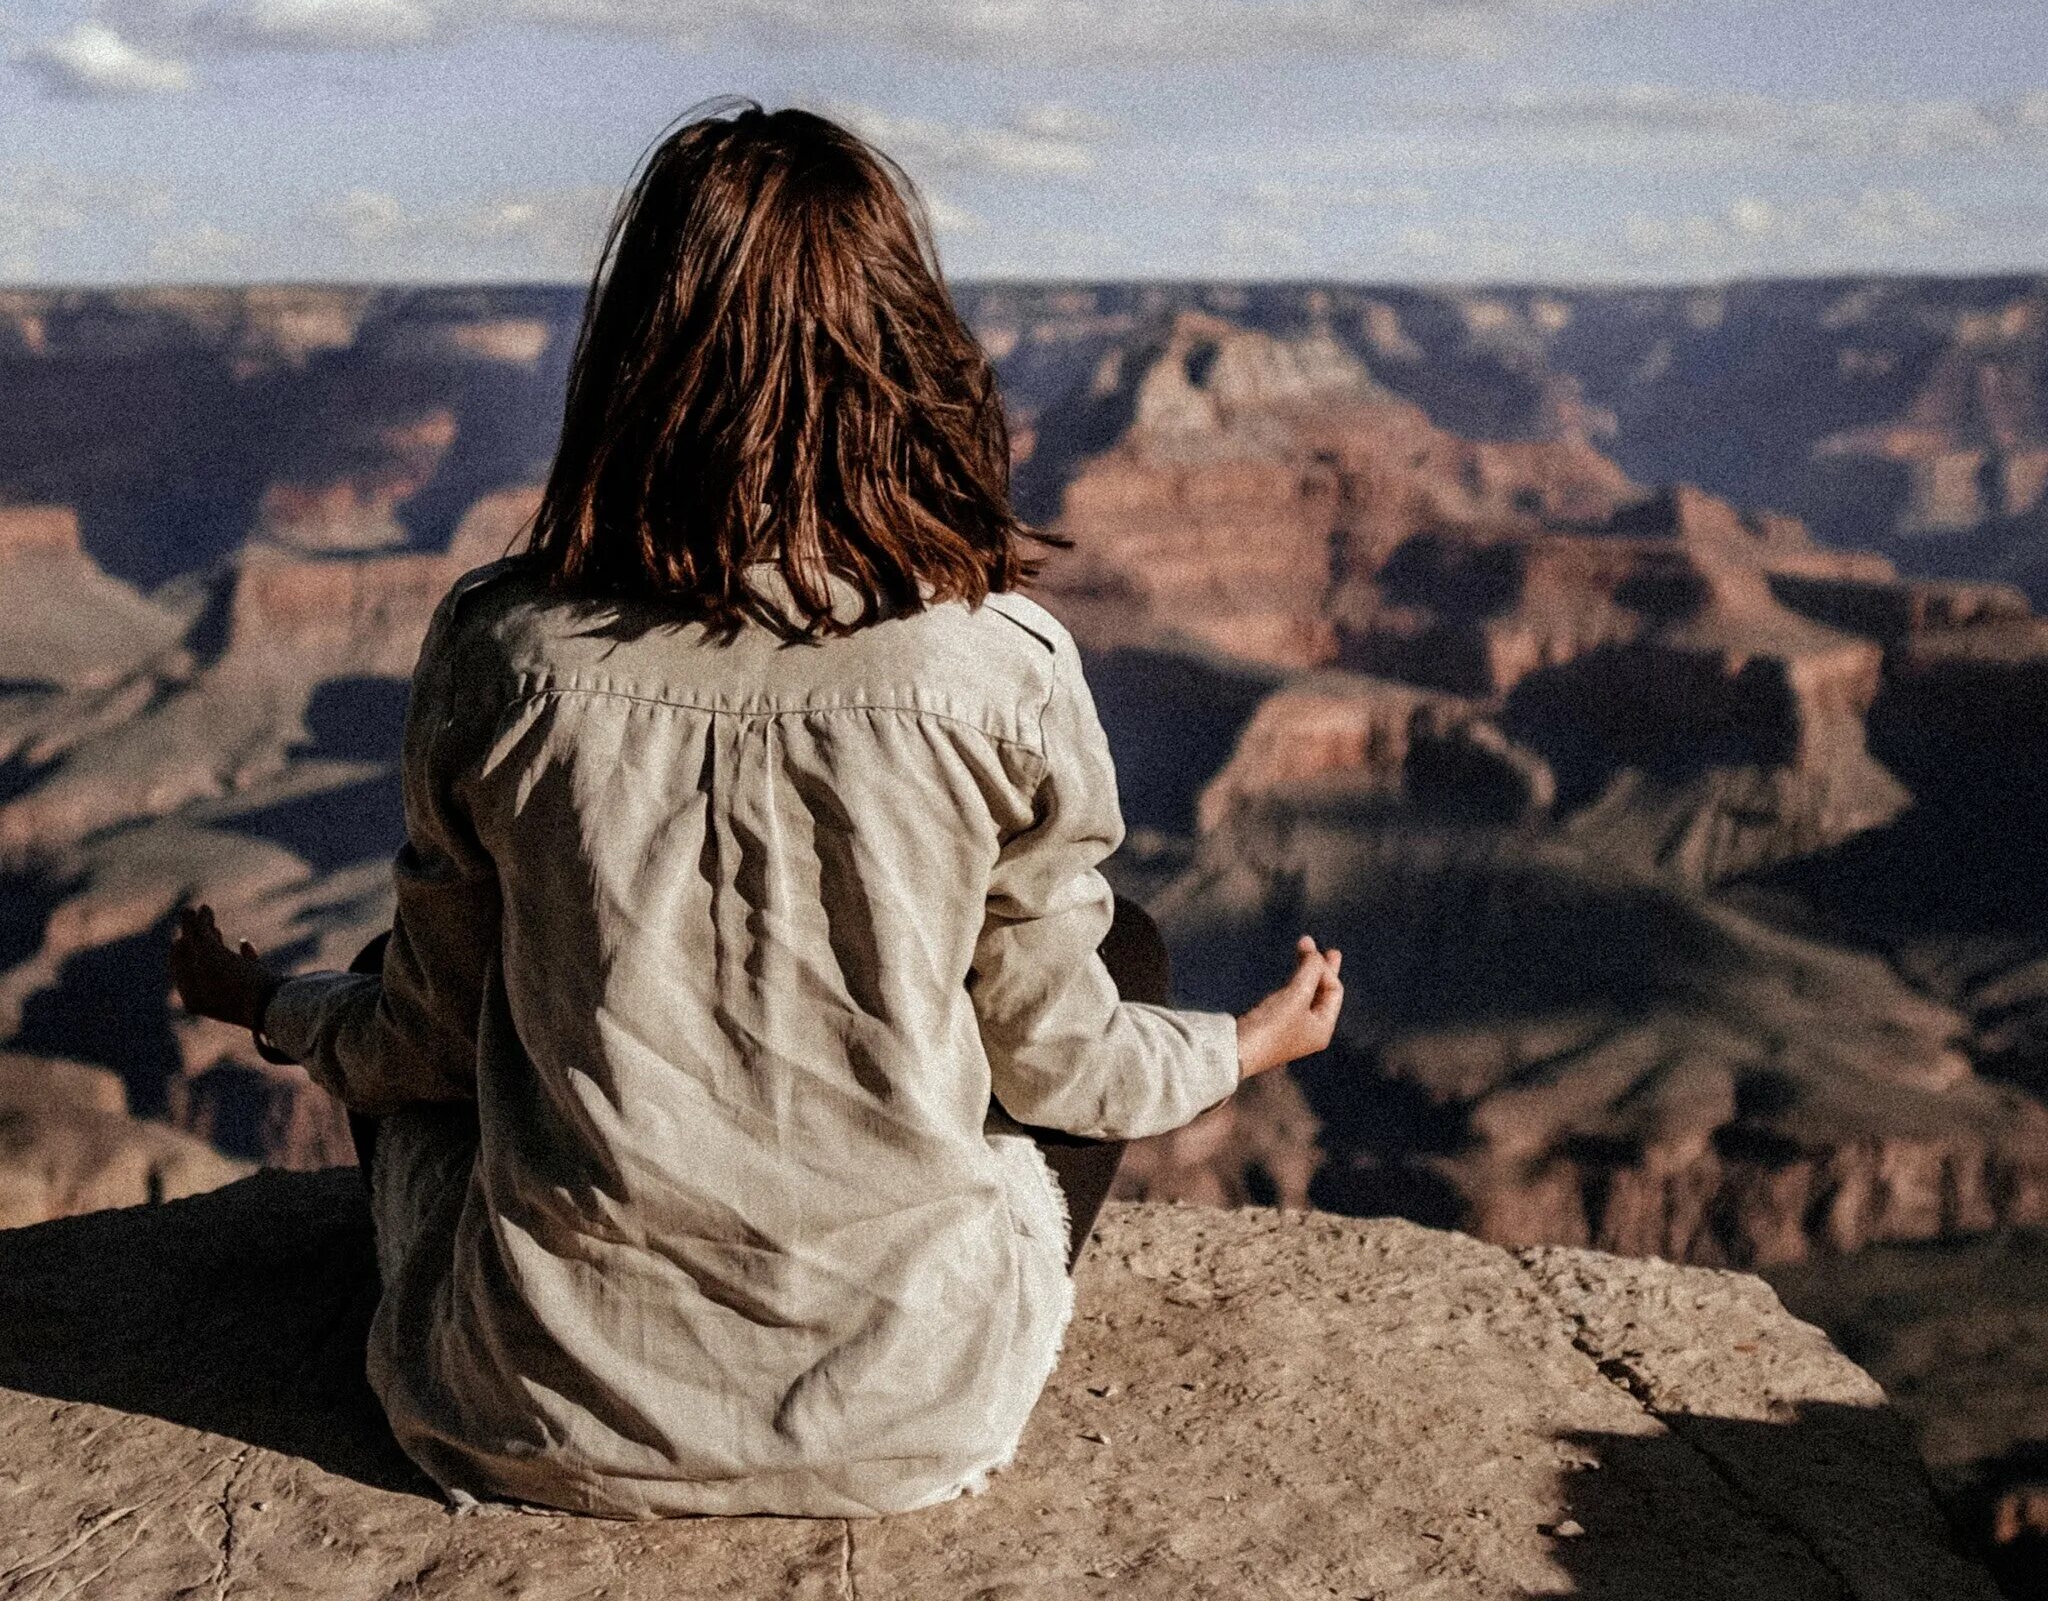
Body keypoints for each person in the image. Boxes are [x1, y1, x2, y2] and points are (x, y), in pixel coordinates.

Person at [168, 101, 1344, 1521]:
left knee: (387, 978)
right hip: (910, 1425)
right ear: (909, 352)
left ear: (633, 357)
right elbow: (1059, 1071)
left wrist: (263, 1003)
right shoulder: (1001, 662)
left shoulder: (505, 647)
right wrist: (1248, 1045)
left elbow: (419, 1041)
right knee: (1127, 956)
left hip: (527, 1415)